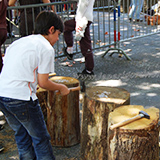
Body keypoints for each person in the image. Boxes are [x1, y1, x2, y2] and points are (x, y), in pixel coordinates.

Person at [0, 10, 70, 159]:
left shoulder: (19, 42)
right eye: (58, 34)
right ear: (51, 29)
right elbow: (43, 82)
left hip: (2, 94)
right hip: (21, 98)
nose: (58, 39)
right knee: (41, 138)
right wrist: (61, 87)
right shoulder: (45, 48)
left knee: (21, 134)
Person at [63, 0, 95, 77]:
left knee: (85, 43)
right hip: (85, 17)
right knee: (85, 42)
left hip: (83, 18)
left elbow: (84, 4)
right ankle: (89, 68)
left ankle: (89, 69)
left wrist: (78, 20)